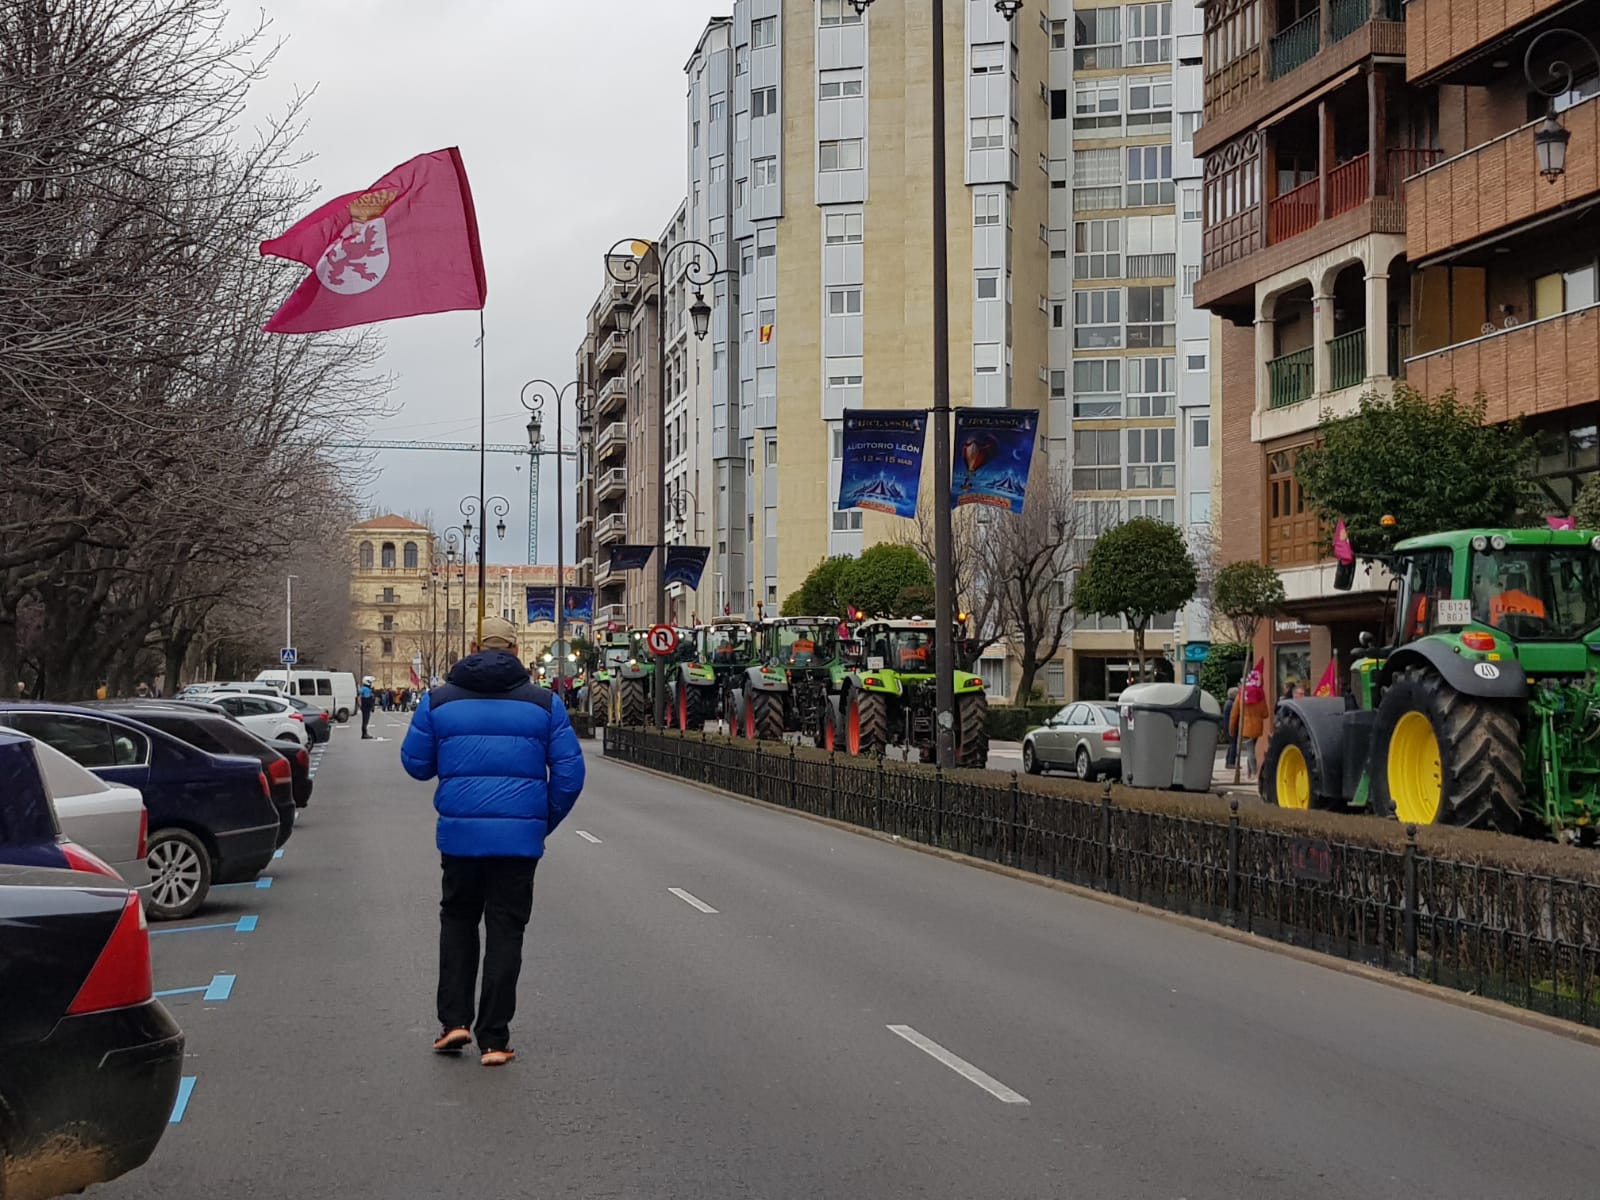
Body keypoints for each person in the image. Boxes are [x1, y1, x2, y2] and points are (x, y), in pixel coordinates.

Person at [401, 615, 585, 1067]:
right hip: (518, 844)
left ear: (473, 647)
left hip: (460, 839)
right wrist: (540, 822)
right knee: (506, 931)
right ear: (516, 650)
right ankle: (495, 1039)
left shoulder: (438, 701)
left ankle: (454, 1023)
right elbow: (570, 774)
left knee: (458, 921)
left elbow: (416, 764)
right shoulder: (545, 704)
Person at [1229, 670, 1270, 781]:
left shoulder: (1241, 695)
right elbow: (1265, 714)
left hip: (1245, 727)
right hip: (1257, 727)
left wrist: (1231, 729)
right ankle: (1249, 773)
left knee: (1250, 751)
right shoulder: (1260, 695)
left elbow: (1234, 714)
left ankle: (1254, 773)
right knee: (1251, 749)